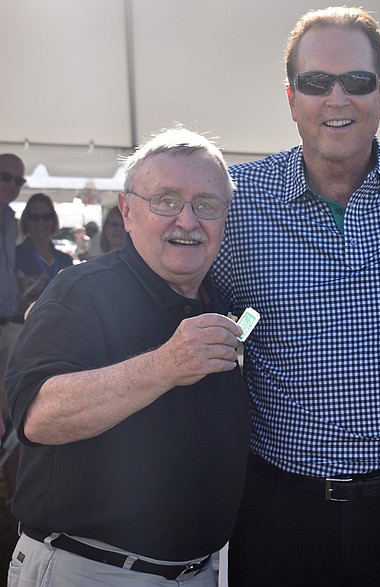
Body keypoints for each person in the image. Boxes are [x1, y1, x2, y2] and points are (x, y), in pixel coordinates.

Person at [210, 7, 380, 585]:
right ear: (291, 99)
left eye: (357, 82)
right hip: (277, 506)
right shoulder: (240, 202)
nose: (337, 98)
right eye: (316, 83)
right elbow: (177, 294)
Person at [4, 128, 250, 586]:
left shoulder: (222, 301)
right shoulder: (80, 291)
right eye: (166, 200)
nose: (188, 221)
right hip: (90, 570)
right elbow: (39, 416)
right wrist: (167, 364)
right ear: (127, 211)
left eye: (207, 205)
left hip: (198, 573)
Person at [0, 153, 26, 502]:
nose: (11, 185)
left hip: (8, 326)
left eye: (18, 180)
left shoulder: (9, 219)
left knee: (9, 416)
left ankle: (12, 499)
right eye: (6, 176)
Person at [15, 193, 74, 319]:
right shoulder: (14, 256)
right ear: (26, 220)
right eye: (34, 217)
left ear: (54, 220)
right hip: (23, 328)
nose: (41, 222)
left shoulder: (66, 260)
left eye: (47, 216)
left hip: (59, 327)